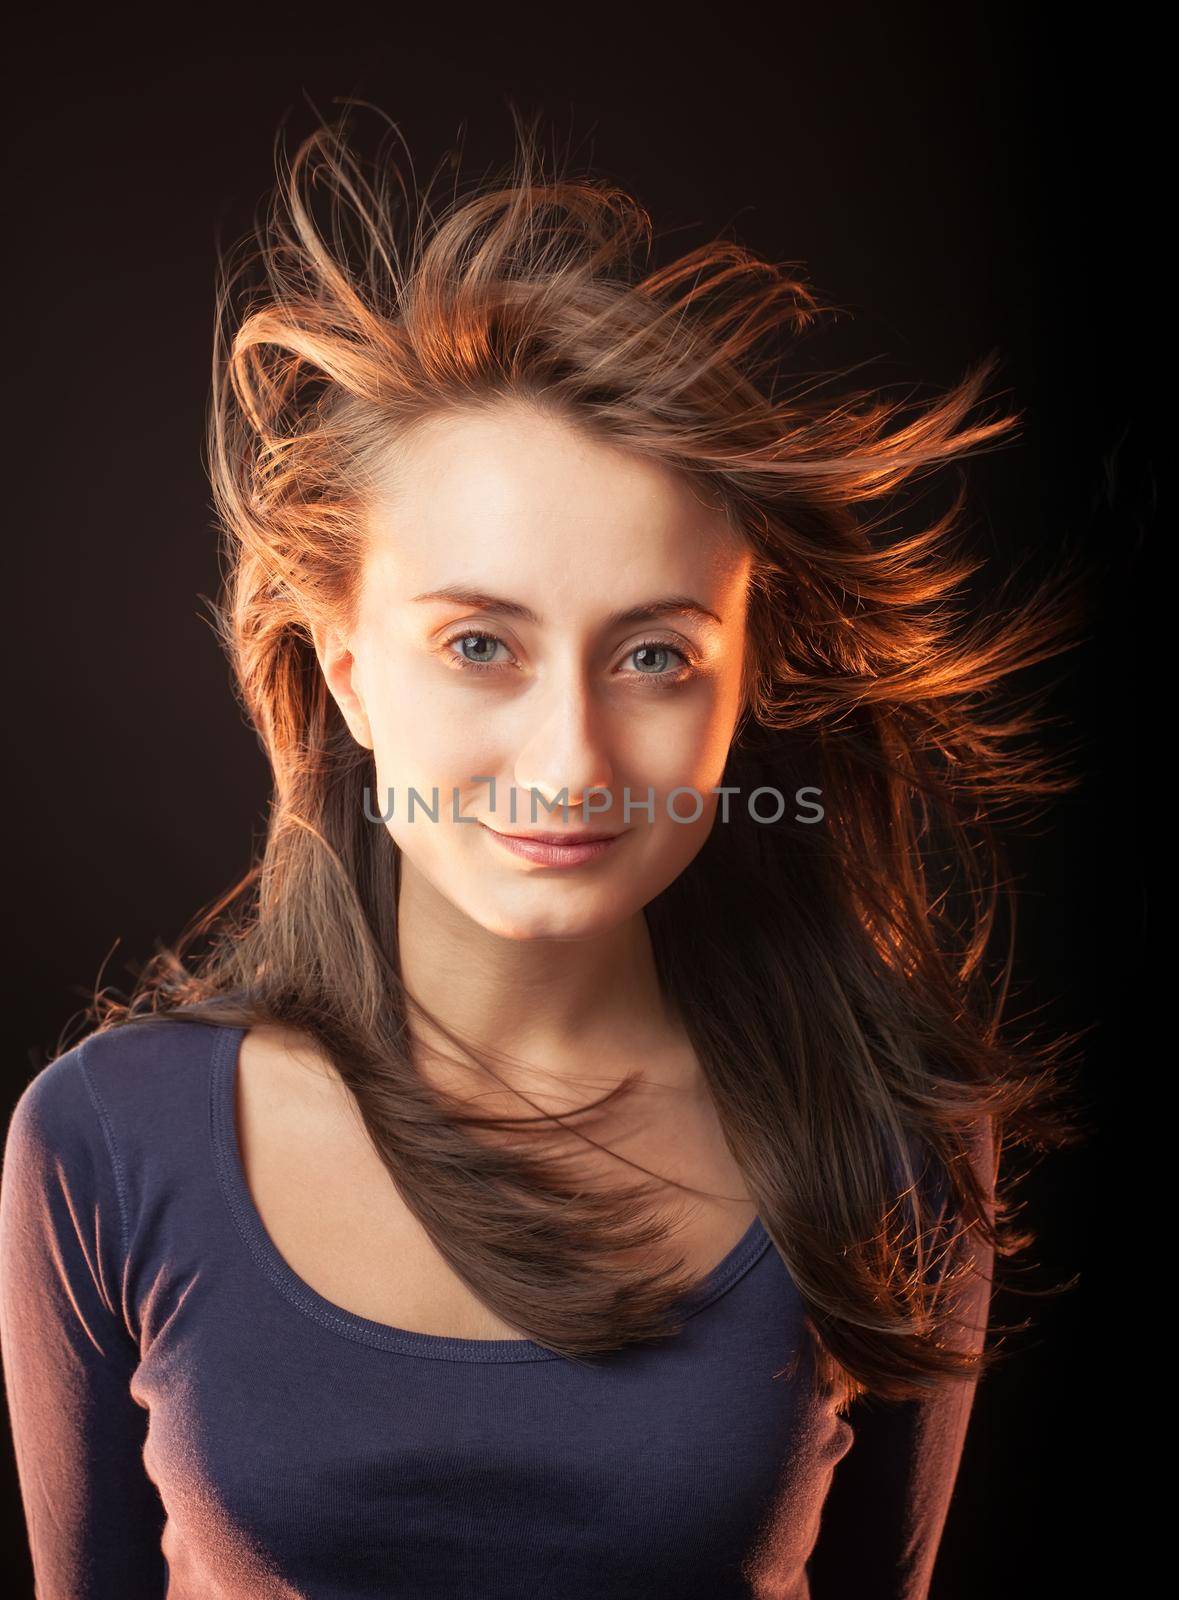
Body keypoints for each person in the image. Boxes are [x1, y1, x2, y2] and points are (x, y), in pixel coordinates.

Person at [0, 104, 1085, 1599]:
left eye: (652, 656)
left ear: (746, 677)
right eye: (477, 644)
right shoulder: (105, 1144)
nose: (572, 762)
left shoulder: (886, 1144)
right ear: (345, 669)